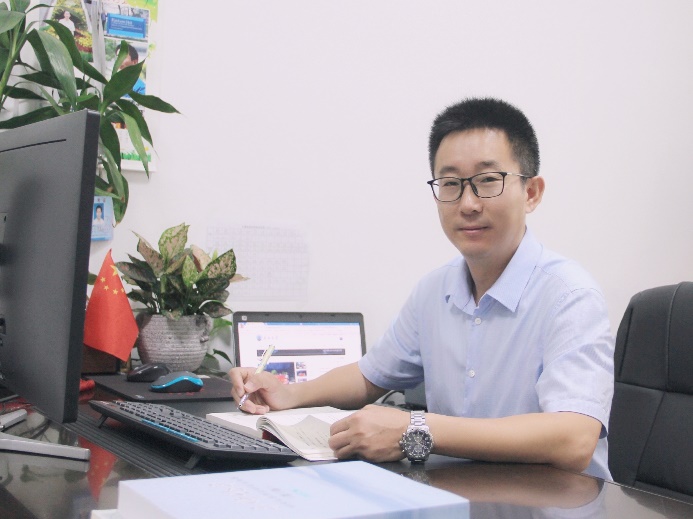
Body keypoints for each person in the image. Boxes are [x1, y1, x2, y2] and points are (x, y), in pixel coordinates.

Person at [229, 97, 615, 480]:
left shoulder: (569, 296)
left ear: (531, 193)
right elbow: (370, 375)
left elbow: (574, 438)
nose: (468, 204)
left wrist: (417, 428)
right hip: (460, 493)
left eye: (487, 181)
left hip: (555, 501)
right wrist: (289, 393)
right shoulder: (435, 290)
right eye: (450, 184)